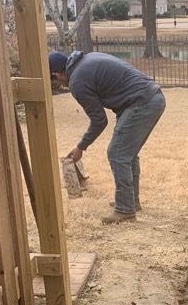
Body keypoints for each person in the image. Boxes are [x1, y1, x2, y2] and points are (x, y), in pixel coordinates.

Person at [49, 50, 165, 224]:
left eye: (54, 81)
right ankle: (130, 201)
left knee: (117, 154)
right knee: (126, 154)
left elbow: (99, 120)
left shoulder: (77, 81)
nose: (59, 85)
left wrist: (81, 146)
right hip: (151, 97)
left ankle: (125, 210)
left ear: (57, 74)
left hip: (142, 102)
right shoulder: (87, 59)